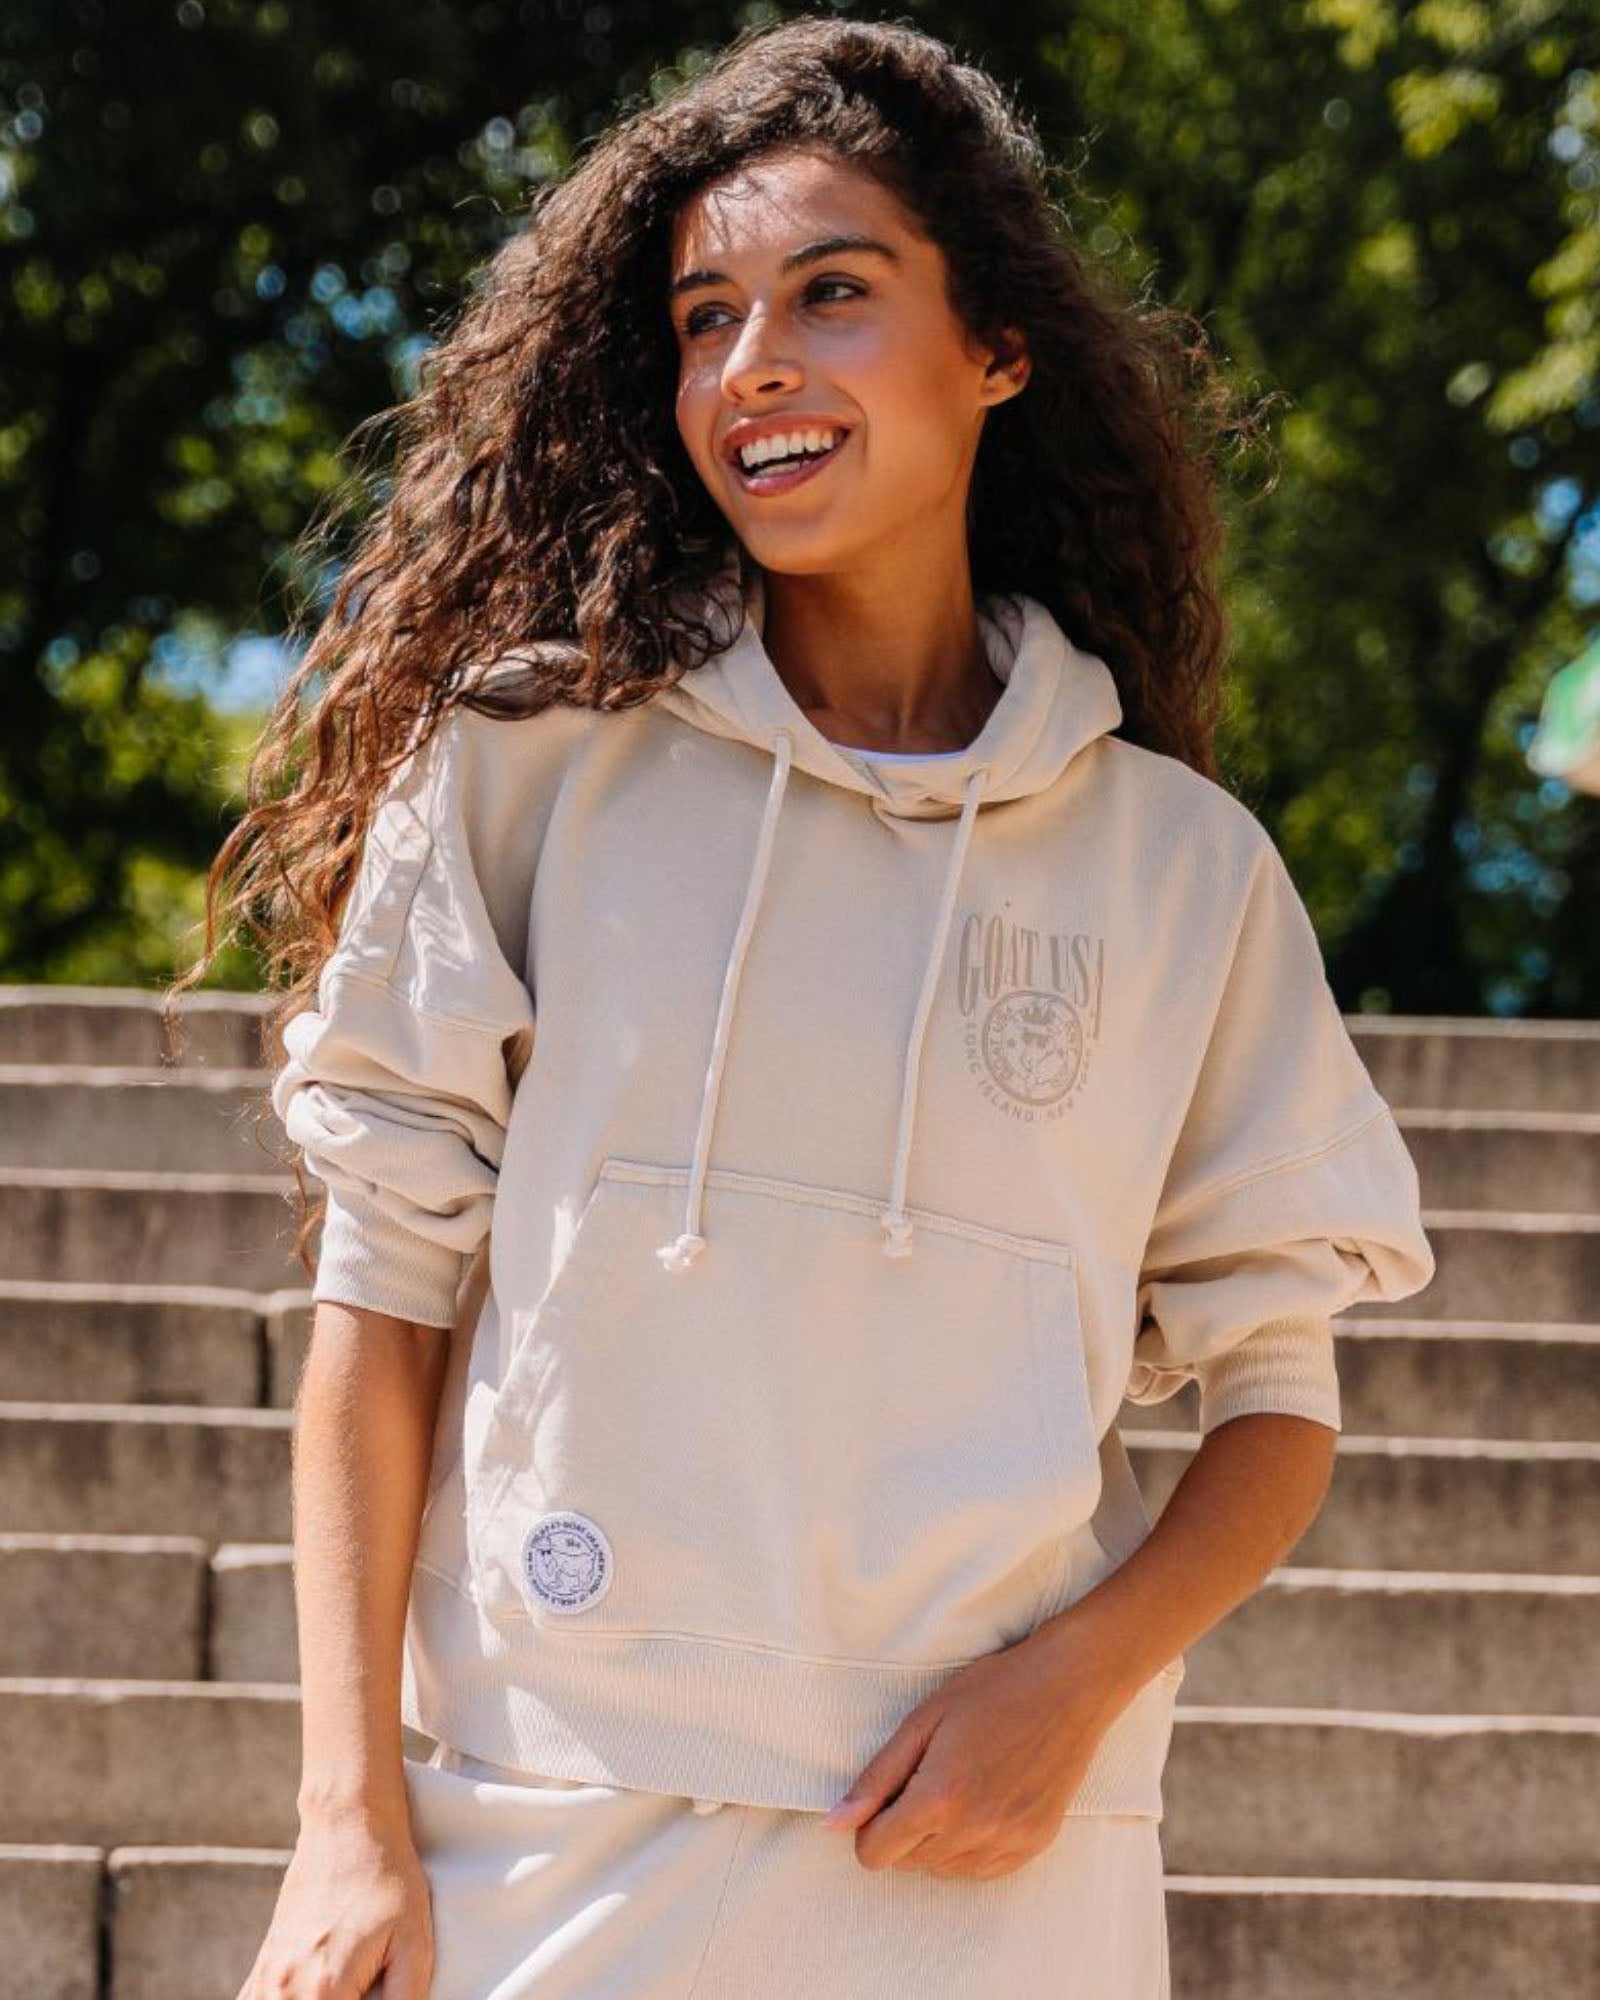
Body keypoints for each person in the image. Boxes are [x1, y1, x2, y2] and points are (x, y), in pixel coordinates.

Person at [192, 16, 1436, 1999]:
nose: (747, 364)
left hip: (986, 1850)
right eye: (702, 316)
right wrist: (346, 1824)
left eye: (831, 295)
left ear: (997, 348)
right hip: (545, 1823)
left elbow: (1274, 1403)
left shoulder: (1180, 872)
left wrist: (1082, 1680)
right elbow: (381, 1290)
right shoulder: (527, 771)